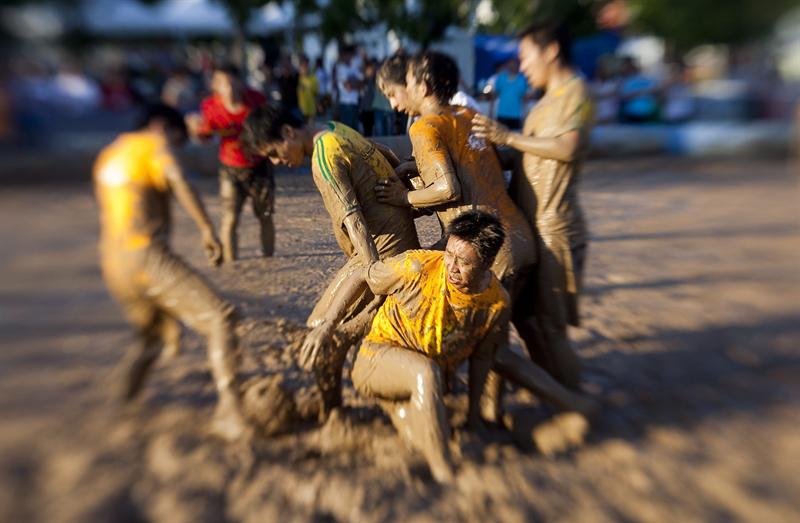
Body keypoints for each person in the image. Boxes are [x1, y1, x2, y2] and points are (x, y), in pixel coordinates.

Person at [313, 211, 595, 483]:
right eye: (449, 254)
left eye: (463, 262)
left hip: (432, 375)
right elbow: (362, 275)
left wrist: (474, 418)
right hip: (378, 360)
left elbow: (484, 359)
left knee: (489, 363)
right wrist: (327, 325)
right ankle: (445, 472)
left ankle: (571, 404)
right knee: (425, 375)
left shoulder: (496, 301)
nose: (451, 266)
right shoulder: (416, 267)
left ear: (487, 264)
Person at [242, 104, 420, 418]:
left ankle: (332, 414)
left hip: (379, 252)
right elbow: (381, 151)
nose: (276, 162)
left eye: (273, 152)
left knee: (318, 336)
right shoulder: (336, 129)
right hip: (397, 244)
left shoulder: (324, 157)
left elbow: (356, 224)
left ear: (287, 133)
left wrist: (370, 278)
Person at [93, 104, 250, 441]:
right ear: (161, 126)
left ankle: (123, 399)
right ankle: (231, 412)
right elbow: (177, 177)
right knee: (221, 318)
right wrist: (207, 228)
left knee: (150, 338)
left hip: (112, 262)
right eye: (178, 140)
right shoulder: (154, 145)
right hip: (145, 254)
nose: (177, 149)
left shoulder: (111, 153)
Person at [472, 22, 594, 388]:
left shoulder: (578, 94)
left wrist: (508, 136)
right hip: (532, 226)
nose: (522, 66)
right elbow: (531, 157)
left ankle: (576, 404)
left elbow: (567, 148)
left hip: (556, 230)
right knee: (525, 318)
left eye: (526, 56)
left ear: (551, 51)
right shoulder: (544, 103)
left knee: (551, 328)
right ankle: (554, 392)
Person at [187, 64, 274, 263]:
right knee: (230, 218)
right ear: (215, 86)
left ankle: (270, 262)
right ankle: (231, 266)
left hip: (259, 165)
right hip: (230, 166)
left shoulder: (256, 100)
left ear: (240, 83)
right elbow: (205, 136)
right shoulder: (210, 107)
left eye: (233, 82)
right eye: (223, 83)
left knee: (266, 215)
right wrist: (196, 130)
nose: (229, 87)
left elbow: (270, 127)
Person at [488, 58, 530, 129]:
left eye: (514, 64)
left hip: (516, 116)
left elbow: (524, 98)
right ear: (507, 65)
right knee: (499, 138)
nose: (512, 66)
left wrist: (525, 116)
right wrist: (490, 111)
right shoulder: (501, 78)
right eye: (510, 64)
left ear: (518, 65)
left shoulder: (522, 79)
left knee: (515, 137)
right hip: (502, 115)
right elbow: (494, 95)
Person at [334, 46, 363, 130]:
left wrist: (353, 83)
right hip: (346, 103)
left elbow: (361, 84)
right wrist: (355, 84)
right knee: (347, 129)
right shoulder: (341, 68)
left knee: (355, 129)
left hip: (354, 102)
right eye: (348, 55)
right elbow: (348, 87)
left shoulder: (354, 68)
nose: (350, 57)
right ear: (344, 55)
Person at [297, 55, 319, 124]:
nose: (305, 68)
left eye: (306, 65)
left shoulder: (313, 77)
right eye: (303, 66)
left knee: (310, 127)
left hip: (311, 108)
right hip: (300, 108)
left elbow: (316, 93)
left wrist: (318, 105)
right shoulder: (297, 78)